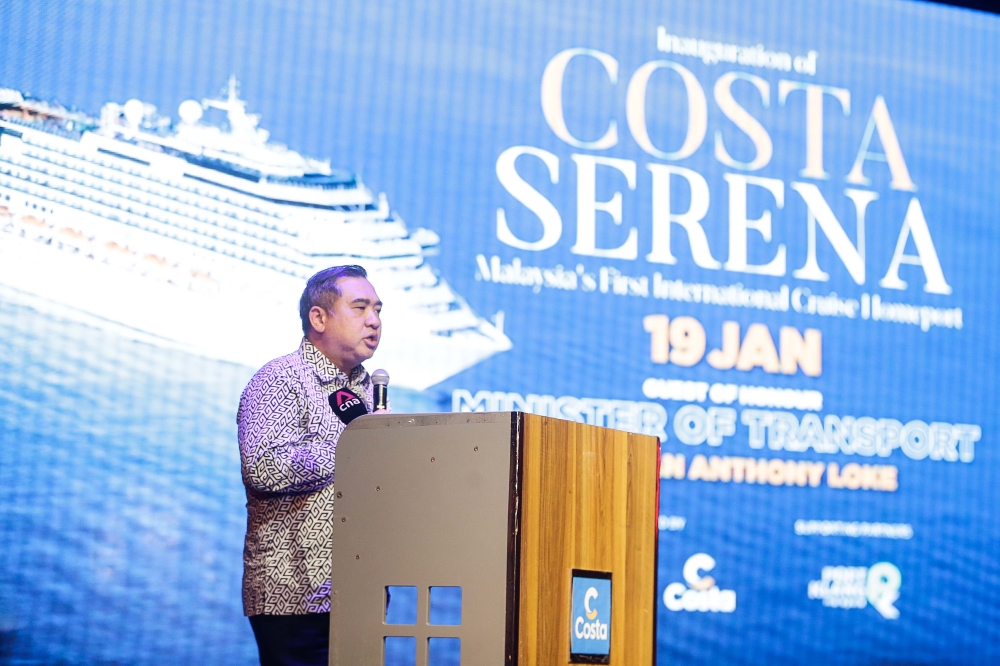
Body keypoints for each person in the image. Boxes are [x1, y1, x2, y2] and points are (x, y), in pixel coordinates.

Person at [237, 265, 385, 666]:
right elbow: (264, 468)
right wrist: (353, 444)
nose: (374, 320)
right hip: (295, 599)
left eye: (378, 310)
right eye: (360, 308)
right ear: (319, 318)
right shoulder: (280, 379)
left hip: (363, 597)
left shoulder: (369, 391)